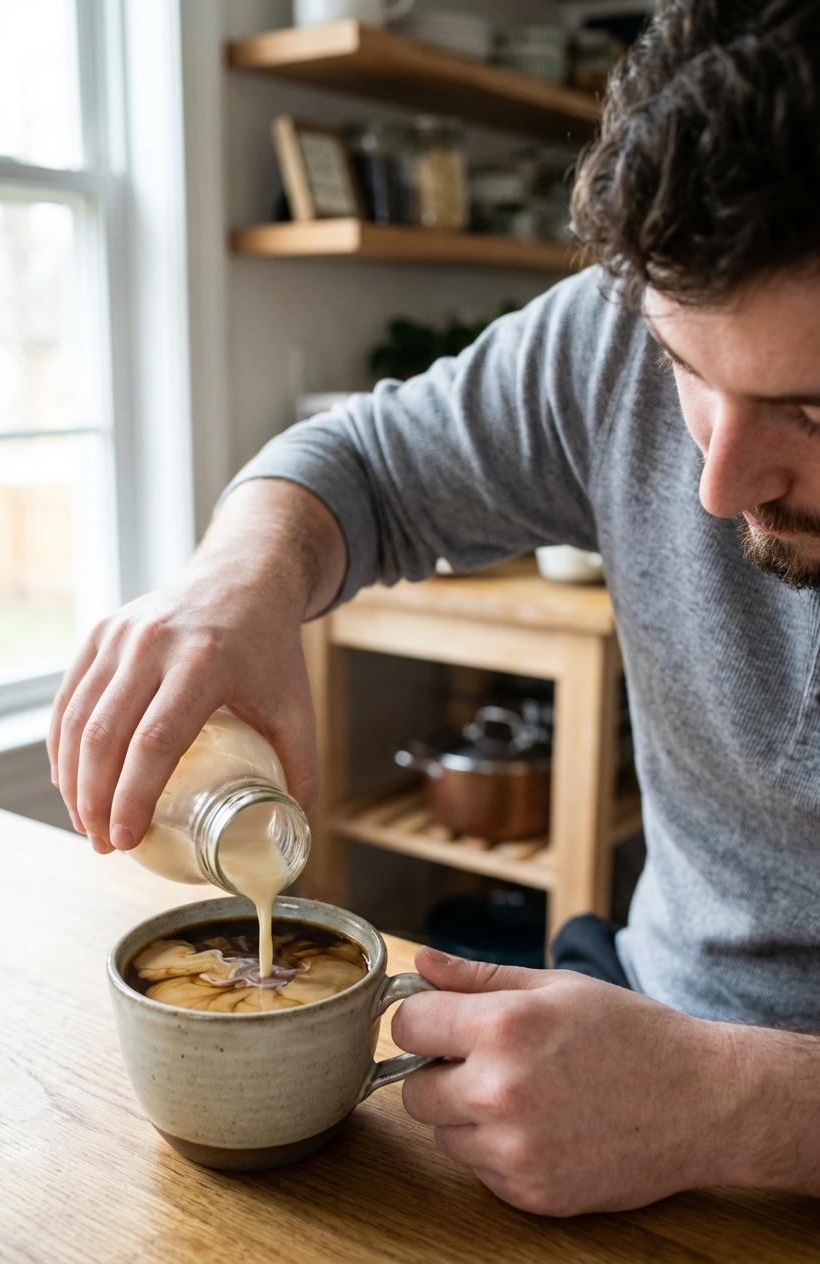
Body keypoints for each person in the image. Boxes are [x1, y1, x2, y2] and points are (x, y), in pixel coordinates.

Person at [49, 0, 820, 1215]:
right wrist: (237, 577)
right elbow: (356, 460)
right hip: (638, 1044)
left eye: (811, 411)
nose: (718, 485)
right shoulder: (614, 339)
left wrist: (733, 1105)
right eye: (688, 370)